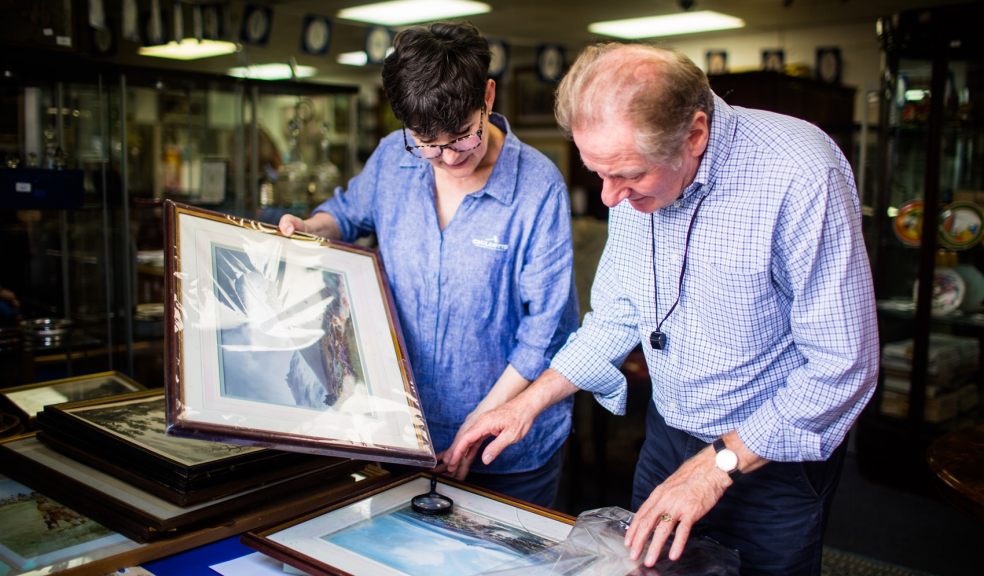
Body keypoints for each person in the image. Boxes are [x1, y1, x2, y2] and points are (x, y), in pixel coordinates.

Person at [445, 43, 878, 576]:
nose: (608, 197)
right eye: (597, 173)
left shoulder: (801, 173)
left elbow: (844, 365)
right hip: (668, 433)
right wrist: (528, 403)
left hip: (770, 456)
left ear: (694, 135)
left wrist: (719, 463)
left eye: (627, 175)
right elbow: (615, 315)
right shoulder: (632, 182)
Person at [279, 22, 579, 507]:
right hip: (403, 433)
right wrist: (313, 228)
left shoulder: (537, 188)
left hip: (506, 449)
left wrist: (479, 424)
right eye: (425, 142)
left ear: (487, 94)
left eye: (461, 137)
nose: (444, 158)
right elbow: (346, 213)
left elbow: (546, 332)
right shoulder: (390, 161)